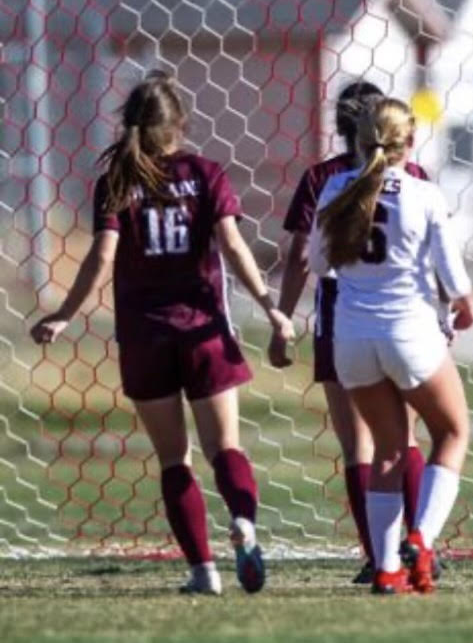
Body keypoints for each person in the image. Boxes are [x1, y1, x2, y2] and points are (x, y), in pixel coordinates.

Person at [29, 71, 295, 595]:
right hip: (204, 335)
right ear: (181, 124)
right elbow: (234, 249)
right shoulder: (206, 172)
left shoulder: (117, 180)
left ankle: (203, 573)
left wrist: (64, 313)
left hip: (146, 339)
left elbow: (102, 257)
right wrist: (271, 307)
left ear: (129, 125)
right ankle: (243, 522)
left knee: (175, 460)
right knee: (227, 450)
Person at [269, 80, 436, 584]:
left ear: (342, 127)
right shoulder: (412, 174)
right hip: (401, 315)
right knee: (404, 438)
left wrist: (283, 320)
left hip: (342, 317)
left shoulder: (322, 178)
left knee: (358, 446)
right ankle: (419, 544)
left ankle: (377, 557)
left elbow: (302, 257)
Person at [308, 96, 473, 596]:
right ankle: (421, 538)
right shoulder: (423, 194)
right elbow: (452, 274)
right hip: (409, 333)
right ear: (412, 141)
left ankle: (385, 569)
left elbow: (318, 264)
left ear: (358, 143)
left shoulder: (335, 188)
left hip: (351, 337)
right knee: (452, 432)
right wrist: (464, 307)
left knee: (385, 449)